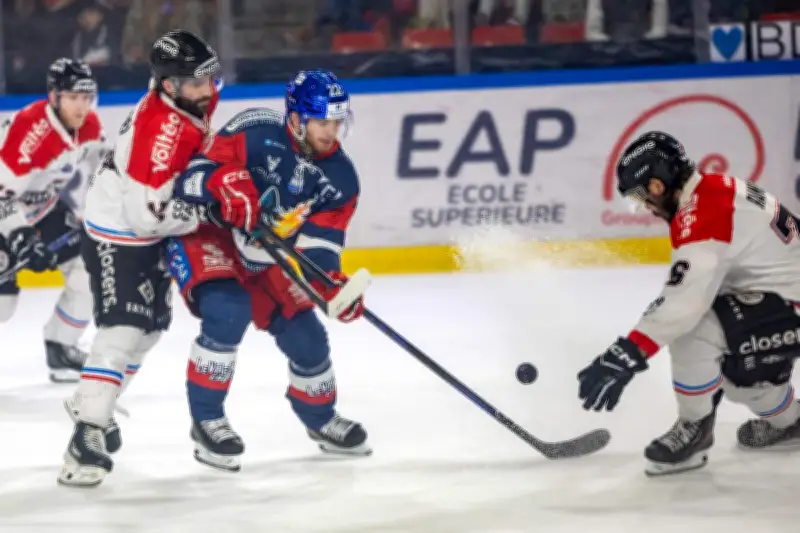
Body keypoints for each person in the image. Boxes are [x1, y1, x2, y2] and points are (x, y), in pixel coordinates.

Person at [57, 29, 260, 487]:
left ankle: (91, 401)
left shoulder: (187, 101)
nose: (208, 90)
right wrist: (208, 210)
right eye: (196, 82)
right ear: (170, 85)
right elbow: (146, 217)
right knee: (124, 327)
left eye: (210, 78)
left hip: (145, 228)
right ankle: (86, 436)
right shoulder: (161, 130)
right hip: (119, 233)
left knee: (149, 330)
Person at [165, 69, 369, 472]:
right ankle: (207, 420)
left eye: (336, 122)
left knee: (308, 338)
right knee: (229, 311)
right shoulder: (255, 128)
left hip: (263, 253)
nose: (331, 132)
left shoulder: (341, 178)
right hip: (206, 233)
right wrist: (222, 183)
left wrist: (331, 286)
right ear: (295, 118)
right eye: (322, 122)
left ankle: (320, 418)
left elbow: (320, 248)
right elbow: (189, 179)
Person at [576, 131, 800, 476]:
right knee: (740, 371)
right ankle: (791, 422)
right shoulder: (711, 190)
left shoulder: (703, 214)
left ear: (657, 185)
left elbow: (684, 305)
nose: (646, 208)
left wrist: (628, 352)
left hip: (788, 307)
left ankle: (694, 429)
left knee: (695, 333)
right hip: (782, 302)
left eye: (641, 197)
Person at [0, 57, 108, 383]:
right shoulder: (30, 132)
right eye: (73, 97)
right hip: (6, 214)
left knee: (91, 266)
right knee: (4, 305)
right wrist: (20, 237)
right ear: (54, 96)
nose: (81, 106)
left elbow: (104, 169)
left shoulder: (89, 126)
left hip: (43, 210)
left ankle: (61, 347)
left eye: (86, 97)